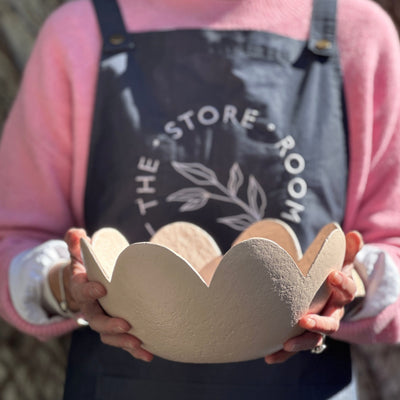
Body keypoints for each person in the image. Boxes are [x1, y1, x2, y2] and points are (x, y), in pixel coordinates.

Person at [1, 0, 400, 398]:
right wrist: (66, 286)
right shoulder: (78, 31)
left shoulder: (358, 31)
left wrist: (348, 285)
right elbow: (13, 243)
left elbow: (392, 245)